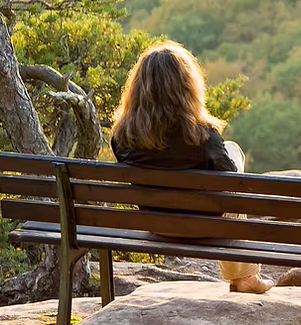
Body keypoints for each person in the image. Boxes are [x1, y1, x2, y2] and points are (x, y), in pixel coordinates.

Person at [110, 41, 273, 294]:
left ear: (138, 88)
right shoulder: (204, 137)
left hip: (156, 223)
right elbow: (231, 187)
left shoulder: (123, 137)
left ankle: (245, 276)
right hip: (201, 225)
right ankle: (245, 277)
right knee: (233, 155)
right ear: (188, 86)